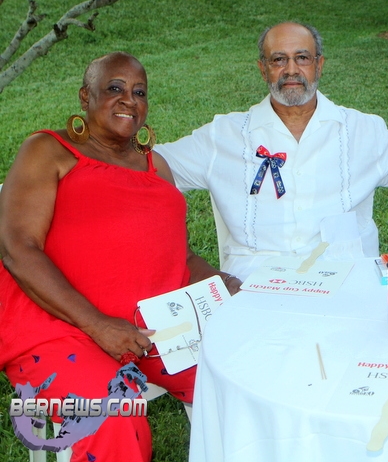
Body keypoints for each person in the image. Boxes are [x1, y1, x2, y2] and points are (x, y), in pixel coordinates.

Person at [0, 52, 226, 462]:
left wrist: (221, 283)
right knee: (115, 413)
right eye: (115, 88)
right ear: (85, 96)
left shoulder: (155, 165)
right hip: (60, 328)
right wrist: (98, 324)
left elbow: (180, 255)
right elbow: (18, 248)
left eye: (139, 92)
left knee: (240, 377)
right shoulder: (49, 151)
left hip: (152, 330)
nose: (129, 100)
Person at [157, 22, 388, 283]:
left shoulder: (362, 131)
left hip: (345, 283)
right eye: (279, 59)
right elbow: (150, 166)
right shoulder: (223, 135)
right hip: (252, 286)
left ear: (319, 65)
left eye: (302, 58)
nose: (291, 70)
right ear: (263, 69)